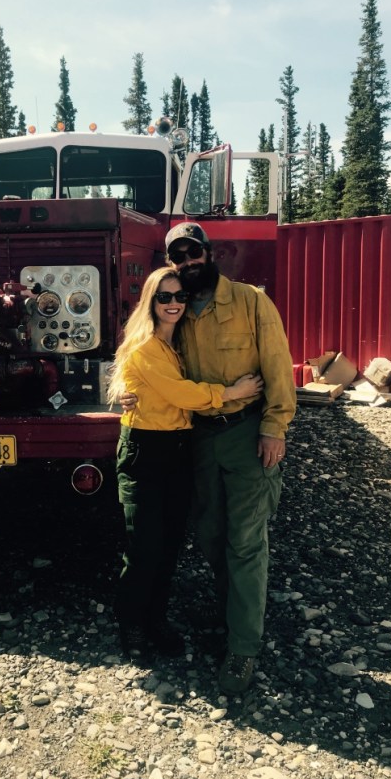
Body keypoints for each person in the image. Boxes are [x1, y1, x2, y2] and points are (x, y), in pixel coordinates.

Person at [120, 223, 297, 693]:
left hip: (244, 434)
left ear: (209, 252)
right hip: (195, 441)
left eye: (193, 252)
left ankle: (242, 648)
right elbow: (141, 363)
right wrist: (123, 390)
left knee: (245, 541)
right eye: (177, 255)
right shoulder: (176, 313)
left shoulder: (250, 302)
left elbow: (279, 367)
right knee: (211, 536)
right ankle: (231, 614)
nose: (188, 261)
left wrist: (275, 427)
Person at [107, 266, 263, 659]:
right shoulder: (144, 348)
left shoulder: (177, 345)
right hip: (146, 451)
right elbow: (182, 393)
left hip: (178, 449)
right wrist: (232, 392)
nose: (174, 303)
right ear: (150, 302)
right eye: (165, 297)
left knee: (169, 545)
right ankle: (133, 628)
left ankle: (155, 621)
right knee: (144, 547)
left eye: (180, 296)